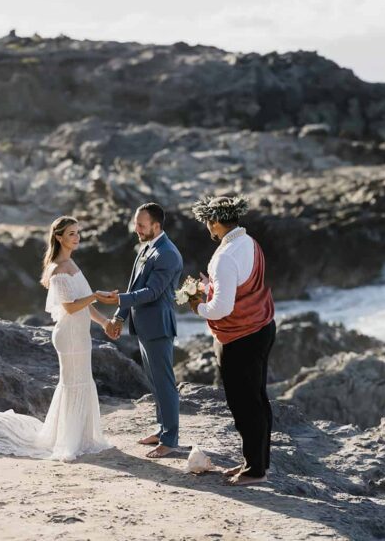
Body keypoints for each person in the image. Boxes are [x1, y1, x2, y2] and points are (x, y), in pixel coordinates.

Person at [0, 216, 117, 461]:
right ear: (59, 237)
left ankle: (82, 437)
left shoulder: (72, 263)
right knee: (73, 385)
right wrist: (97, 296)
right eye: (71, 233)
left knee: (83, 382)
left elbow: (85, 303)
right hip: (68, 336)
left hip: (80, 334)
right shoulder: (58, 269)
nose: (77, 237)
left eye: (78, 232)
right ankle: (68, 441)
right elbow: (70, 307)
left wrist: (105, 322)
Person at [189, 195, 275, 486]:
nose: (207, 229)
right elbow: (238, 286)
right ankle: (256, 462)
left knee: (244, 404)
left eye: (207, 223)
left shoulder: (225, 256)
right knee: (258, 400)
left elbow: (222, 309)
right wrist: (209, 286)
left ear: (214, 222)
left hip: (239, 337)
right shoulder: (250, 243)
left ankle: (255, 472)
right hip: (262, 327)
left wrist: (197, 306)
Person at [102, 202, 183, 458]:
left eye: (141, 225)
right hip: (145, 327)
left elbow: (152, 292)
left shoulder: (167, 253)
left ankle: (170, 439)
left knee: (165, 383)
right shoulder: (146, 248)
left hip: (159, 327)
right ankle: (162, 430)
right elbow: (133, 284)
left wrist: (118, 300)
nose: (136, 229)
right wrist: (118, 316)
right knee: (155, 382)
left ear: (156, 225)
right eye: (136, 224)